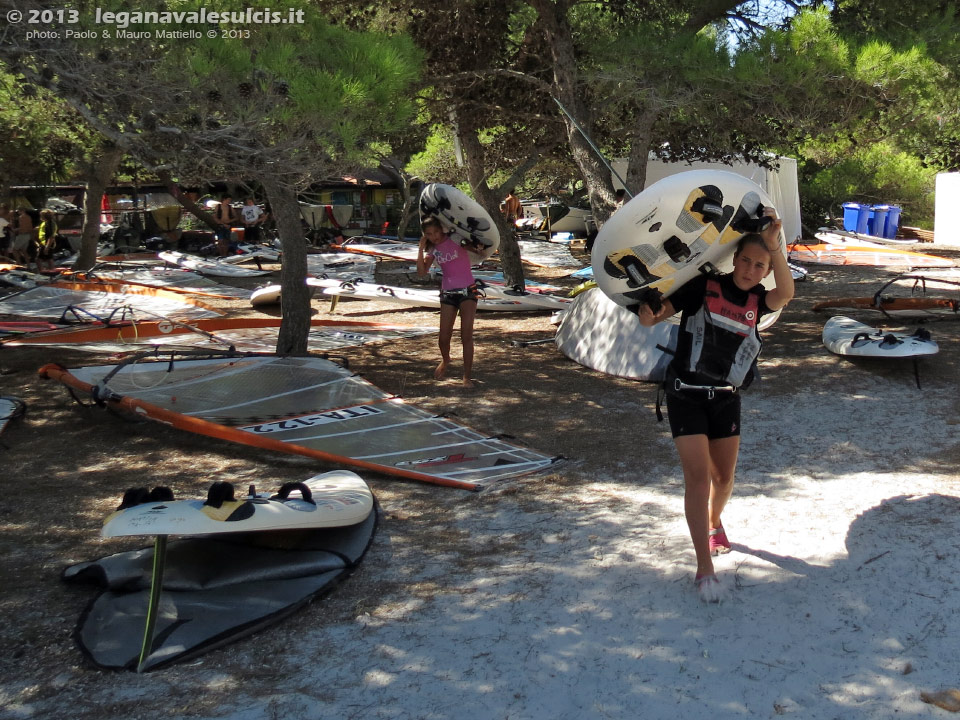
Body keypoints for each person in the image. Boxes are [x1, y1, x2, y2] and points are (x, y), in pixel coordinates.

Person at [634, 207, 794, 603]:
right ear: (734, 259)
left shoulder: (760, 299)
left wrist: (776, 248)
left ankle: (714, 521)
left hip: (725, 399)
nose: (751, 270)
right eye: (746, 261)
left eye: (760, 265)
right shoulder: (702, 286)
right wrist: (648, 310)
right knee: (698, 479)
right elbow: (656, 317)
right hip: (685, 394)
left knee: (724, 479)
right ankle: (704, 566)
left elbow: (787, 294)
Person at [416, 217, 479, 388]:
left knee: (466, 335)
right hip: (448, 293)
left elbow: (477, 249)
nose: (434, 236)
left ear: (442, 229)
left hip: (468, 290)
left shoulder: (456, 239)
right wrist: (421, 248)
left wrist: (476, 246)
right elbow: (421, 272)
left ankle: (466, 377)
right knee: (443, 337)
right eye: (429, 234)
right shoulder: (433, 250)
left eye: (436, 232)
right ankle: (446, 359)